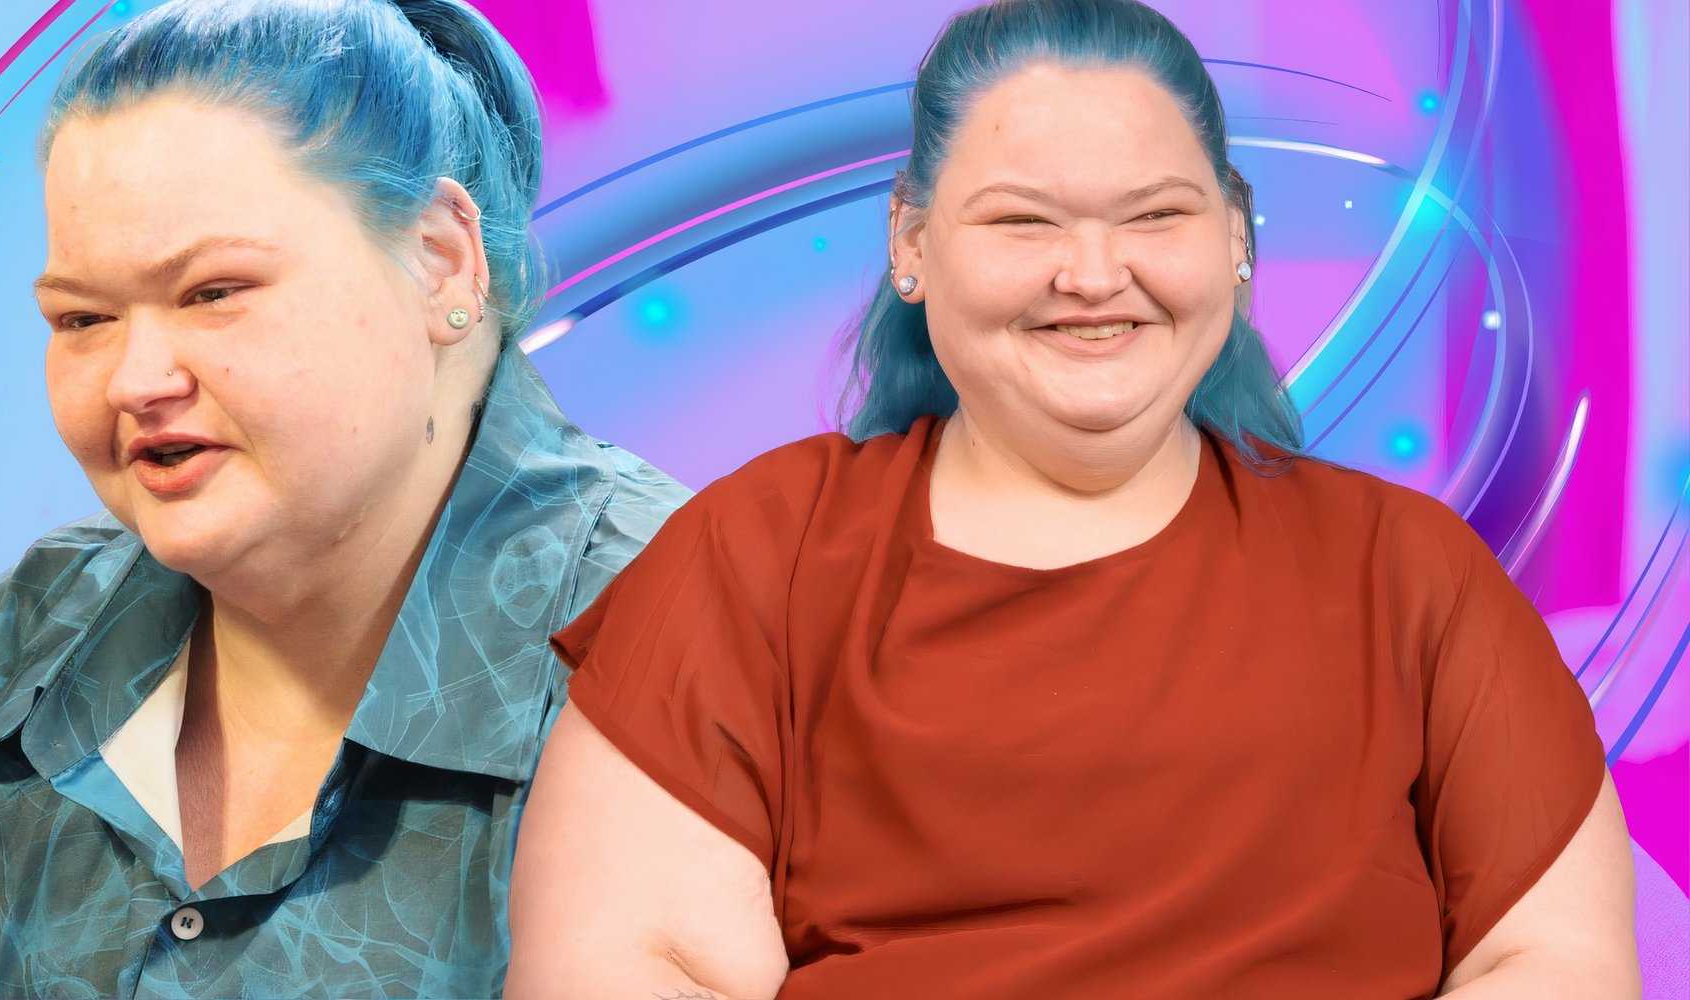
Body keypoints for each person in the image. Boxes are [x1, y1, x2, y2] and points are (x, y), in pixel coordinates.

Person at [505, 1, 1637, 997]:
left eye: (1154, 217)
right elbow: (625, 960)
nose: (1093, 275)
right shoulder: (754, 558)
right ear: (909, 242)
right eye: (1021, 221)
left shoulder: (1411, 575)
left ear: (1236, 240)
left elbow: (1549, 960)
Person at [0, 1, 684, 995]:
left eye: (212, 292)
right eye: (83, 316)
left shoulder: (709, 654)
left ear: (441, 258)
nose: (136, 380)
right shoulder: (10, 662)